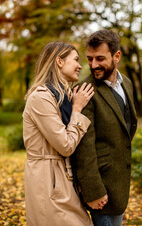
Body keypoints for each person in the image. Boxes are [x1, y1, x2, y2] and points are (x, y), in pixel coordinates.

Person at [23, 42, 94, 226]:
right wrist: (77, 109)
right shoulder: (40, 97)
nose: (80, 65)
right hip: (48, 180)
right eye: (76, 60)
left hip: (63, 178)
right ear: (59, 61)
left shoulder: (63, 95)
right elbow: (65, 145)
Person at [74, 29, 137, 226]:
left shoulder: (126, 82)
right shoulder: (85, 91)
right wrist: (93, 191)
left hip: (119, 181)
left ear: (116, 56)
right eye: (89, 59)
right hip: (101, 191)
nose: (93, 65)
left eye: (100, 58)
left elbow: (127, 126)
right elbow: (83, 148)